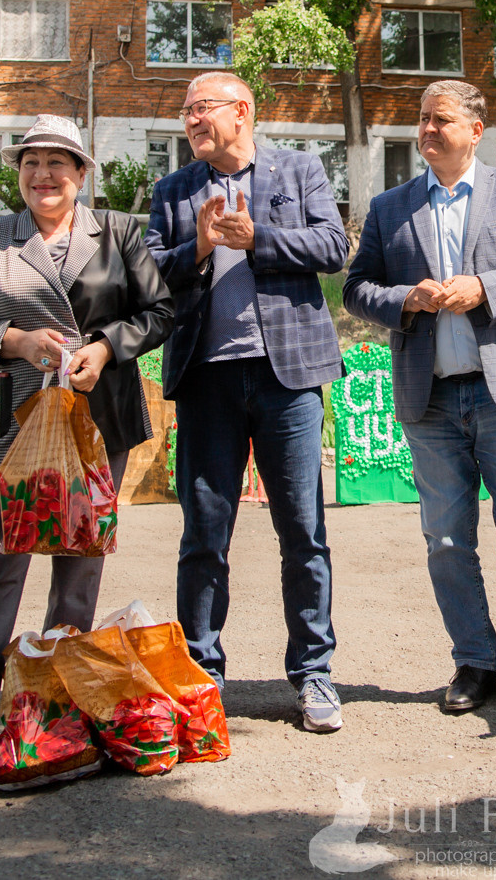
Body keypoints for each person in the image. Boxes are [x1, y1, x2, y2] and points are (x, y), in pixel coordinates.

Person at [0, 115, 174, 792]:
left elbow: (160, 312)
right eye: (32, 163)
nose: (44, 176)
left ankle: (47, 722)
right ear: (18, 172)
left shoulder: (121, 232)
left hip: (98, 430)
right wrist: (12, 339)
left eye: (58, 163)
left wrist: (103, 346)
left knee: (78, 574)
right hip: (19, 433)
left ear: (82, 173)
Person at [343, 81, 496, 714]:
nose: (427, 130)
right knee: (446, 539)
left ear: (476, 129)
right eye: (422, 119)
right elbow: (356, 289)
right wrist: (403, 300)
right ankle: (473, 660)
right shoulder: (391, 208)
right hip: (432, 401)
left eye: (440, 120)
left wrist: (484, 288)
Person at [145, 72, 350, 732]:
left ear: (242, 111)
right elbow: (148, 273)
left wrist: (256, 236)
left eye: (199, 109)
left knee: (303, 531)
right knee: (203, 535)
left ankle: (314, 673)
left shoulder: (297, 169)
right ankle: (200, 677)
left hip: (286, 379)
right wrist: (202, 245)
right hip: (206, 380)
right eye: (184, 112)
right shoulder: (173, 190)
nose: (190, 121)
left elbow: (332, 247)